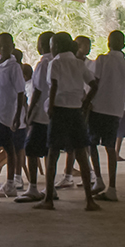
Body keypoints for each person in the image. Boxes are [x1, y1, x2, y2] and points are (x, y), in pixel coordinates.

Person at [35, 32, 100, 212]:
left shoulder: (55, 63)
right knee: (81, 155)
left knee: (52, 155)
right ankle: (89, 200)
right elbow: (94, 85)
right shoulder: (79, 64)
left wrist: (51, 106)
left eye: (52, 45)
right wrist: (85, 103)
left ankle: (49, 198)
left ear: (57, 46)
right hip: (76, 112)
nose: (51, 48)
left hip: (59, 111)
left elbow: (53, 85)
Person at [84, 30, 125, 202]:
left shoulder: (102, 60)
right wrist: (117, 97)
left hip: (98, 108)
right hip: (115, 111)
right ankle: (112, 187)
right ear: (124, 45)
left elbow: (94, 83)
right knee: (110, 148)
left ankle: (98, 179)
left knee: (92, 144)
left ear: (108, 43)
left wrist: (86, 103)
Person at [15, 32, 54, 203]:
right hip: (53, 115)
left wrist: (29, 115)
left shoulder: (43, 64)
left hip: (40, 115)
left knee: (31, 150)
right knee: (49, 152)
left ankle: (33, 187)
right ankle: (50, 187)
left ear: (43, 45)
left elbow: (37, 91)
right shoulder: (57, 61)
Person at [0, 32, 26, 198]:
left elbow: (20, 92)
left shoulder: (14, 66)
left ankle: (10, 183)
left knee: (10, 149)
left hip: (6, 114)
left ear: (13, 46)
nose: (2, 48)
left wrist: (18, 116)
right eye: (0, 45)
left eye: (6, 45)